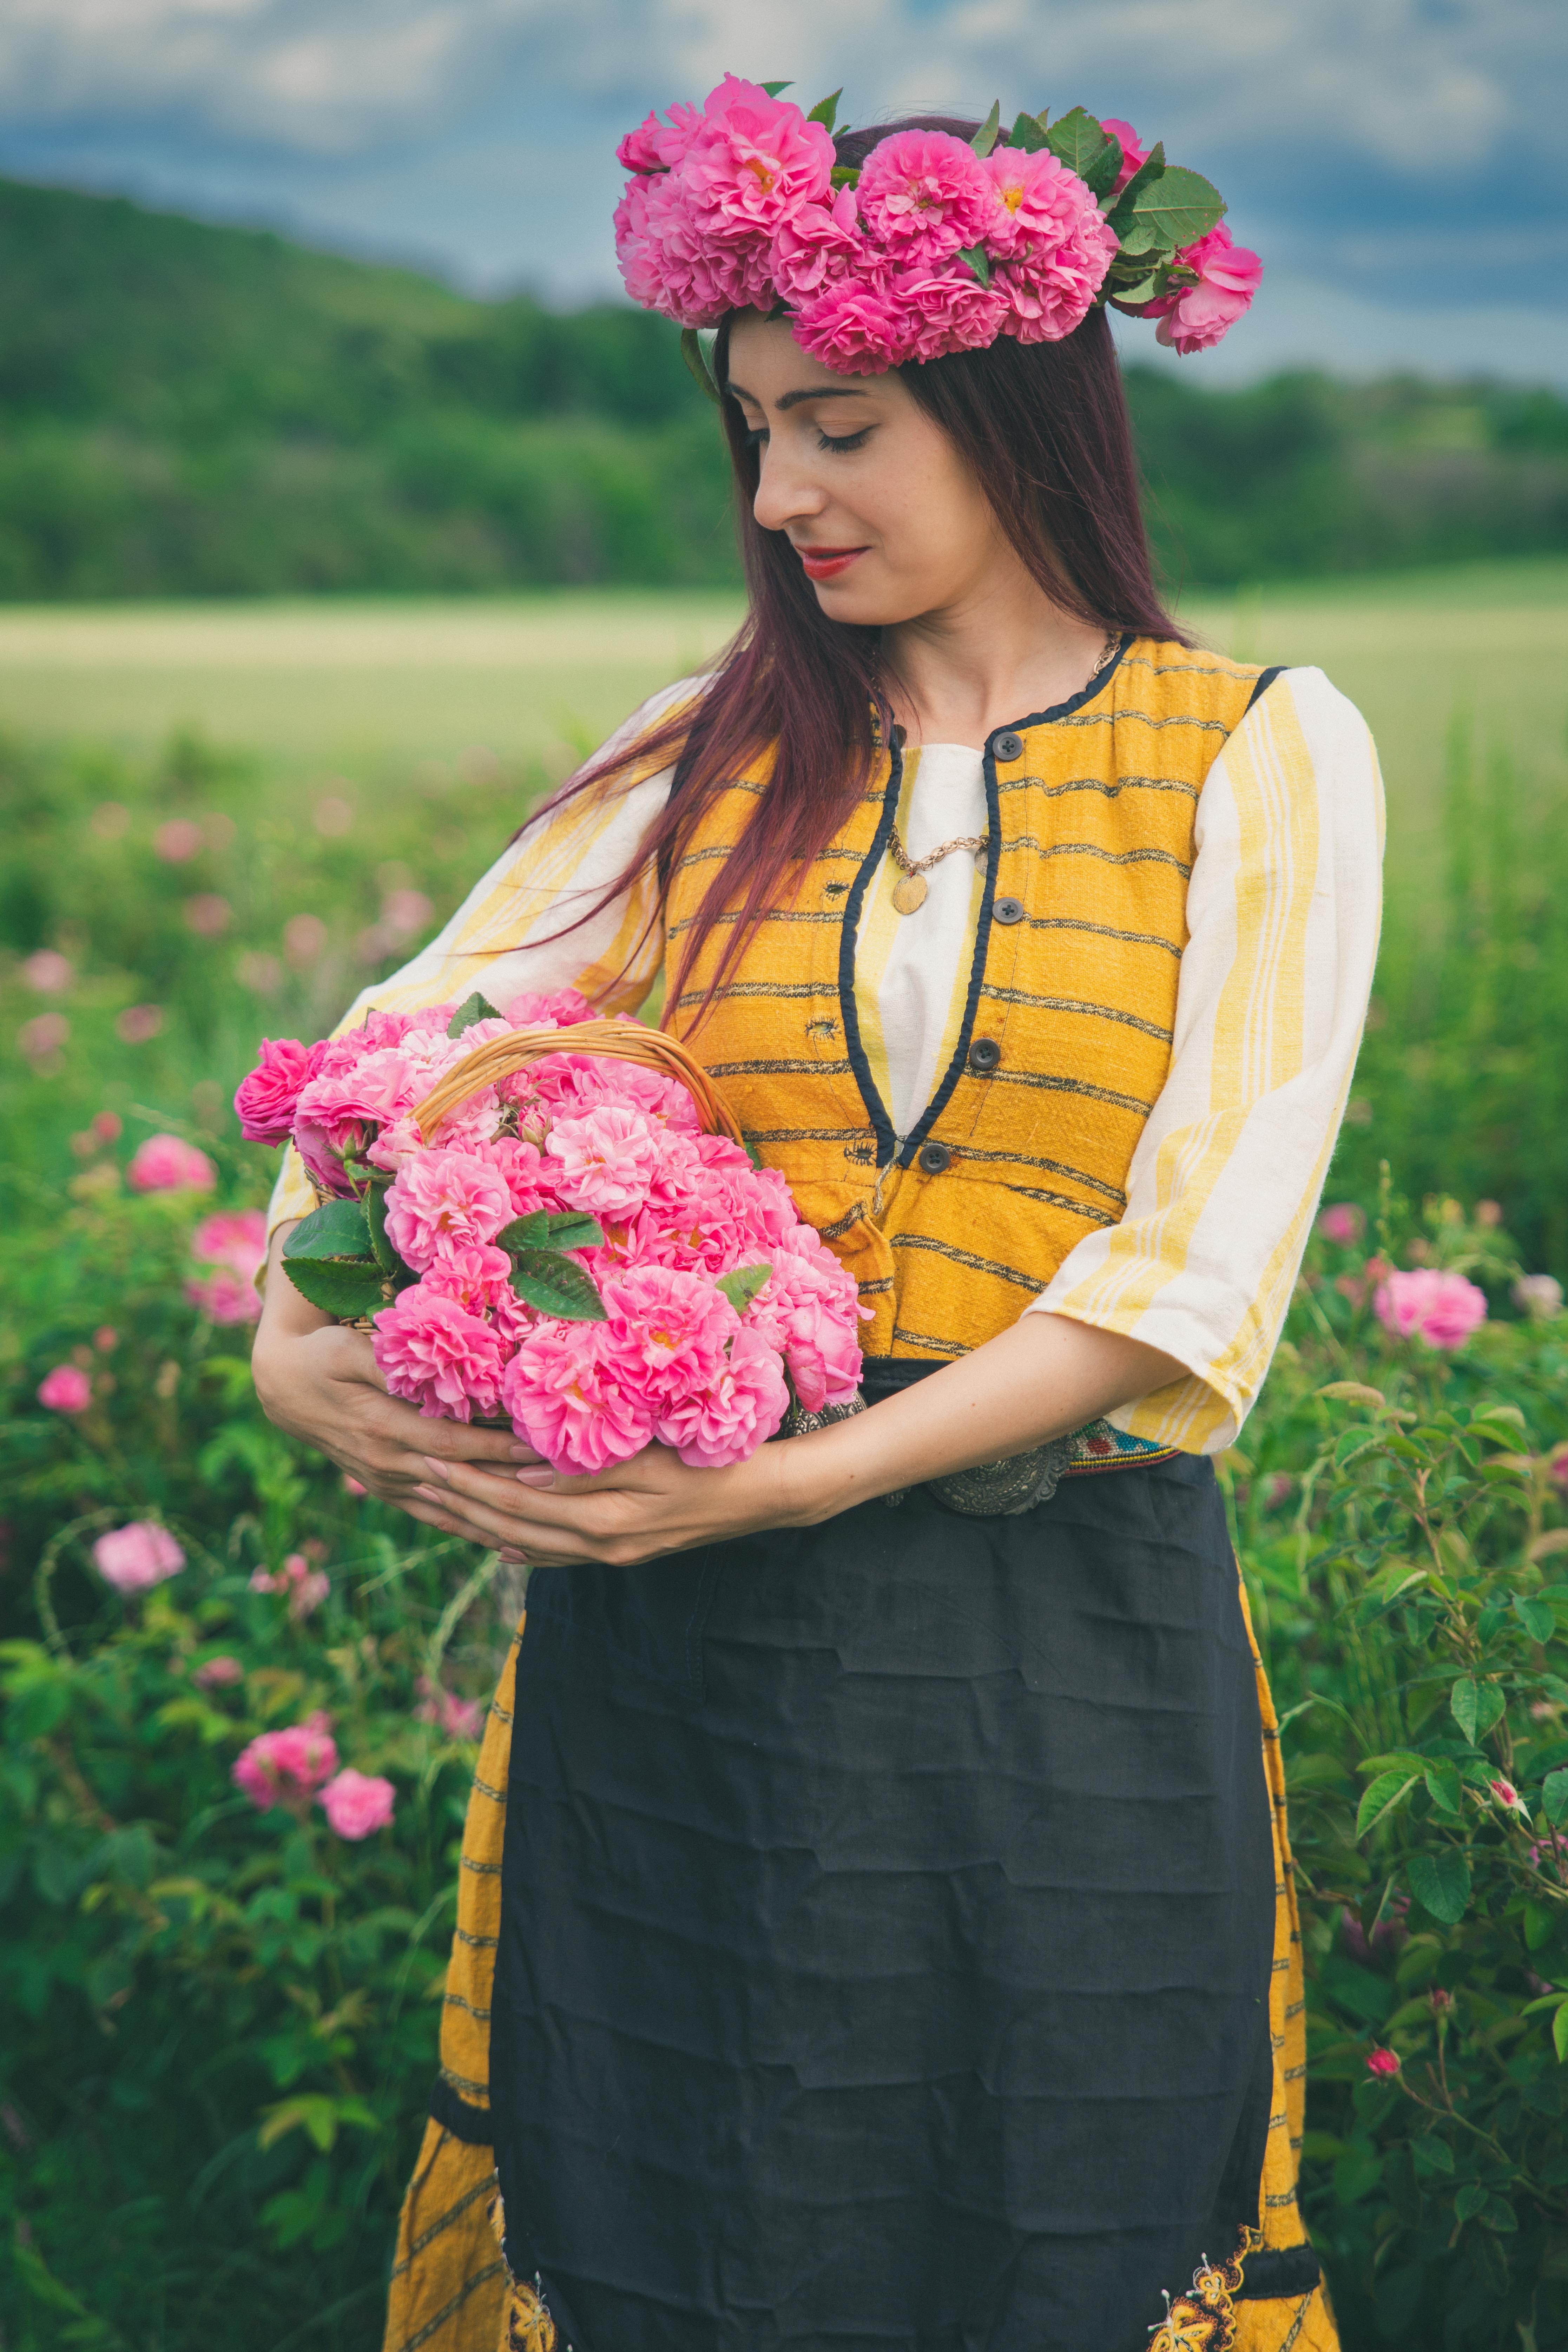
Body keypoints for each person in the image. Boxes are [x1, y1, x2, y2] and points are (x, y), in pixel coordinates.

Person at [252, 80, 1380, 2352]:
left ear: (1008, 407)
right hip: (683, 1667)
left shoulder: (1253, 750)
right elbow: (395, 1054)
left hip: (1059, 1630)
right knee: (683, 2208)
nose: (781, 496)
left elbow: (1192, 1264)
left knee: (1054, 2208)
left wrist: (786, 1480)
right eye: (755, 432)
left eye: (840, 427)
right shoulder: (708, 747)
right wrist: (300, 1342)